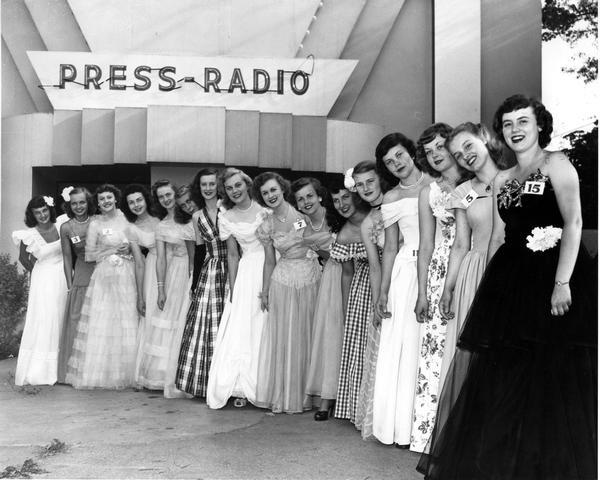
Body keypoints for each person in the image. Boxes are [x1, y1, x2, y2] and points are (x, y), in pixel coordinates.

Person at [418, 95, 597, 479]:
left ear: (539, 126)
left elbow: (575, 222)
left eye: (523, 122)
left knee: (553, 374)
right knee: (509, 376)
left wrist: (562, 282)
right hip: (512, 283)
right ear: (500, 132)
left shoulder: (557, 164)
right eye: (508, 124)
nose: (515, 130)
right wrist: (489, 294)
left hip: (555, 276)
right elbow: (501, 237)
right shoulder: (502, 179)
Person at [373, 132, 433, 447]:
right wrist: (383, 291)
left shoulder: (436, 185)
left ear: (410, 152)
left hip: (437, 269)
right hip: (405, 274)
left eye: (399, 155)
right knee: (404, 344)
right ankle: (400, 427)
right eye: (389, 161)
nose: (397, 163)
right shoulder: (391, 199)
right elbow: (391, 249)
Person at [410, 123, 465, 452]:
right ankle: (431, 437)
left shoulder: (479, 182)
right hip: (438, 272)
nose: (436, 155)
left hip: (473, 264)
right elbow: (426, 245)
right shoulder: (428, 192)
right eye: (429, 151)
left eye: (440, 147)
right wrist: (422, 292)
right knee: (434, 353)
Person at [437, 122, 502, 389]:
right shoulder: (463, 193)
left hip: (512, 269)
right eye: (459, 155)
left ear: (484, 138)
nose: (465, 156)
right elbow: (461, 244)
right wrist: (448, 288)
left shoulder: (517, 179)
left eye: (468, 146)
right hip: (475, 273)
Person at [254, 172, 321, 414]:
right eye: (265, 193)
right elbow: (269, 261)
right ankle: (287, 395)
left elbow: (314, 242)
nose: (270, 195)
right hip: (282, 281)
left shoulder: (302, 216)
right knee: (286, 337)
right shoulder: (267, 226)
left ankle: (310, 394)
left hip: (309, 278)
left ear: (282, 189)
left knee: (308, 334)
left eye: (273, 190)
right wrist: (265, 291)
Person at [66, 184, 145, 389]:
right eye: (101, 199)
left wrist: (127, 248)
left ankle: (128, 373)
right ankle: (103, 374)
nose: (106, 202)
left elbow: (139, 246)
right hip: (103, 277)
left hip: (126, 274)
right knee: (104, 321)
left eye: (109, 197)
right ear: (98, 203)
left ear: (115, 198)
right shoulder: (95, 224)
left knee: (126, 319)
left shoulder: (127, 218)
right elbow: (90, 255)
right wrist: (111, 250)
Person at [207, 168, 267, 408]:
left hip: (268, 266)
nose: (235, 191)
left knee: (264, 324)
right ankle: (240, 386)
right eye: (229, 188)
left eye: (238, 185)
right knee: (243, 327)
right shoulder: (226, 217)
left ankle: (266, 383)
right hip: (245, 272)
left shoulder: (265, 210)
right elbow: (232, 255)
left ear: (246, 184)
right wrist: (234, 288)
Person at [333, 161, 385, 427]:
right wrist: (346, 308)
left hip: (385, 280)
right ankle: (358, 407)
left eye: (345, 197)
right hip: (360, 290)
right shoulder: (343, 234)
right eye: (336, 201)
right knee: (359, 346)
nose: (342, 204)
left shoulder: (377, 216)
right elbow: (346, 274)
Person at [295, 177, 345, 420]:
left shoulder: (336, 215)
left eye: (310, 196)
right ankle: (325, 396)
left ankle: (342, 396)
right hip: (324, 278)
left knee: (341, 333)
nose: (306, 202)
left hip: (345, 273)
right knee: (326, 336)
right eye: (301, 199)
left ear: (320, 196)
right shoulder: (302, 227)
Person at [137, 180, 195, 391]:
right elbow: (160, 259)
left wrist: (193, 279)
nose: (166, 199)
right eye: (161, 197)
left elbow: (194, 255)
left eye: (168, 194)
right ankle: (163, 375)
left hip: (191, 271)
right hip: (173, 275)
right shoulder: (161, 226)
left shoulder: (190, 219)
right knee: (170, 321)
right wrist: (161, 288)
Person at [176, 168, 228, 398]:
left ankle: (227, 382)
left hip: (234, 266)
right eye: (204, 184)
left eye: (212, 184)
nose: (208, 188)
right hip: (211, 269)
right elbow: (199, 251)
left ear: (218, 185)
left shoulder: (228, 209)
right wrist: (195, 284)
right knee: (207, 326)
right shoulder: (197, 217)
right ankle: (205, 383)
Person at [12, 195, 68, 386]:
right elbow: (23, 259)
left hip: (64, 275)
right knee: (46, 318)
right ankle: (43, 371)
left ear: (49, 210)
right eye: (37, 213)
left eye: (44, 211)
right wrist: (39, 268)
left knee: (62, 316)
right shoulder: (28, 235)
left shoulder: (61, 224)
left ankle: (64, 369)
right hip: (44, 280)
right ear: (32, 215)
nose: (42, 215)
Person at [57, 187, 96, 384]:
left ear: (88, 202)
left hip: (100, 271)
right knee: (77, 319)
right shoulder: (65, 227)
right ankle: (75, 371)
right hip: (81, 271)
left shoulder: (98, 221)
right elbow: (66, 257)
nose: (78, 206)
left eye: (82, 202)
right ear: (69, 206)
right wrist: (70, 284)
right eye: (74, 203)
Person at [122, 184, 160, 386]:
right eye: (131, 202)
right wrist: (140, 295)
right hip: (153, 271)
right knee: (154, 319)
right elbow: (139, 262)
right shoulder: (132, 229)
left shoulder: (162, 217)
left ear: (146, 199)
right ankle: (154, 374)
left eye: (138, 200)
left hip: (177, 267)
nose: (136, 205)